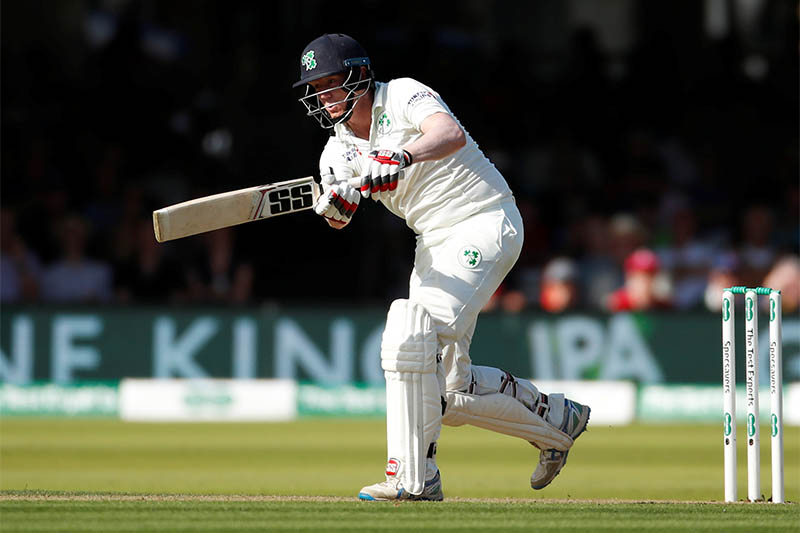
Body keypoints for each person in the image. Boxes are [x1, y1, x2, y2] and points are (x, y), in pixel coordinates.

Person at [293, 34, 590, 501]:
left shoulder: (404, 93)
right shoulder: (336, 153)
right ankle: (556, 420)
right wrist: (335, 204)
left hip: (482, 218)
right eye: (317, 87)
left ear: (359, 74)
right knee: (449, 391)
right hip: (433, 242)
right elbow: (339, 219)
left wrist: (401, 155)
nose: (325, 96)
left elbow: (447, 133)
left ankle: (414, 479)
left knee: (410, 335)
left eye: (331, 82)